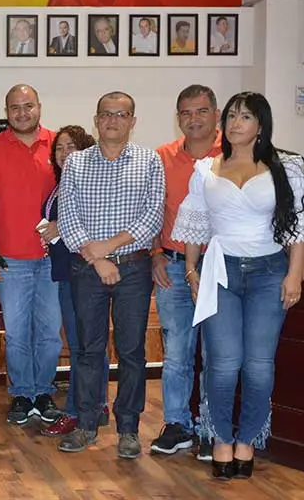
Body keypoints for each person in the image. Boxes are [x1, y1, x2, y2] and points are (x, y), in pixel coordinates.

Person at [174, 92, 304, 480]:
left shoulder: (287, 167)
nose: (235, 123)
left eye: (245, 117)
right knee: (223, 363)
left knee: (259, 365)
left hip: (269, 272)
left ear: (261, 125)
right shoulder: (206, 169)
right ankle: (220, 438)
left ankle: (247, 438)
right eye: (231, 116)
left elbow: (297, 226)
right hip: (220, 271)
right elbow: (196, 223)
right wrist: (191, 271)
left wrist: (294, 274)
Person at [57, 91, 165, 459]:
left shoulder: (150, 161)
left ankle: (129, 429)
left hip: (133, 268)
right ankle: (87, 424)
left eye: (121, 114)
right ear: (96, 120)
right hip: (87, 269)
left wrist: (109, 248)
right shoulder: (76, 163)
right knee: (89, 349)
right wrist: (97, 258)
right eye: (106, 114)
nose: (113, 120)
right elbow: (67, 218)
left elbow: (152, 217)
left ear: (133, 121)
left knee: (132, 351)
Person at [0, 84, 61, 427]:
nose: (22, 113)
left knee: (50, 333)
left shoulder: (59, 144)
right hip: (11, 259)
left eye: (28, 106)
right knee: (18, 333)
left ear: (39, 107)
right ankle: (22, 393)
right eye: (15, 107)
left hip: (53, 258)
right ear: (6, 112)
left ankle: (44, 393)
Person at [149, 85, 223, 458]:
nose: (193, 119)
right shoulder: (162, 157)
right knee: (177, 351)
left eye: (201, 111)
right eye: (186, 113)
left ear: (216, 114)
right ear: (178, 117)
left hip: (221, 269)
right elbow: (149, 210)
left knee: (216, 353)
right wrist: (154, 254)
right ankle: (177, 424)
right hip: (173, 267)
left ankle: (211, 428)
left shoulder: (235, 153)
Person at [37, 125, 109, 438]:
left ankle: (77, 411)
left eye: (71, 146)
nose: (65, 153)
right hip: (66, 271)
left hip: (84, 271)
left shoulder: (90, 181)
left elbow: (93, 224)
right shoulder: (61, 184)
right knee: (86, 343)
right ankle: (96, 404)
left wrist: (60, 227)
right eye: (60, 148)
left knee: (83, 346)